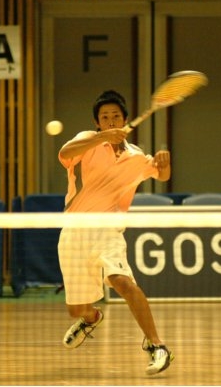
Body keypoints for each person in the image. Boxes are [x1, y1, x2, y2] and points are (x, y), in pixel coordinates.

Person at [56, 90, 174, 375]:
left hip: (107, 230)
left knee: (123, 282)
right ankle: (91, 318)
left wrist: (164, 165)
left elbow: (161, 175)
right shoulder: (87, 142)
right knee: (77, 309)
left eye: (115, 116)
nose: (110, 121)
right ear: (97, 123)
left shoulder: (135, 157)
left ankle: (157, 345)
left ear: (125, 120)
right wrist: (101, 138)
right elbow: (64, 153)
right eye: (105, 117)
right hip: (74, 231)